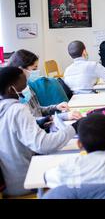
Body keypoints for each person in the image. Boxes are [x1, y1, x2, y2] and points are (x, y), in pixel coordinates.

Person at [0, 67, 77, 197]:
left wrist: (38, 122)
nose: (27, 86)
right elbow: (43, 145)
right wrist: (74, 128)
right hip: (27, 181)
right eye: (24, 84)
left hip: (9, 182)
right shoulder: (17, 110)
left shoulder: (4, 108)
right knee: (76, 174)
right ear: (10, 89)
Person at [8, 49, 80, 121]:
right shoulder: (12, 97)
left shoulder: (27, 88)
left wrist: (56, 107)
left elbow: (37, 110)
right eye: (34, 69)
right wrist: (63, 117)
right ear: (21, 70)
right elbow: (30, 121)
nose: (36, 72)